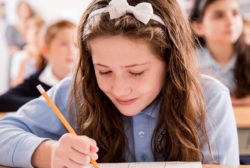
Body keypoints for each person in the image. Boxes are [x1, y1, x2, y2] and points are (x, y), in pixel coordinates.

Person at [0, 0, 239, 167]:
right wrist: (49, 153)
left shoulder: (210, 98)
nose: (119, 89)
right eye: (104, 71)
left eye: (136, 72)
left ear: (170, 63)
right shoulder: (79, 90)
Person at [0, 19, 77, 112]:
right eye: (63, 44)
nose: (71, 50)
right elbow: (3, 101)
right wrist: (46, 104)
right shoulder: (36, 81)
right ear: (45, 50)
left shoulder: (87, 79)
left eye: (76, 44)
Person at [189, 0, 250, 106]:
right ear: (198, 27)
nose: (231, 21)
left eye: (235, 13)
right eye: (219, 16)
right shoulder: (189, 63)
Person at [10, 16, 46, 87]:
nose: (40, 37)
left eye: (42, 33)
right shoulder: (20, 56)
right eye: (36, 33)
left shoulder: (47, 56)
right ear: (26, 35)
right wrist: (23, 63)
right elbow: (14, 85)